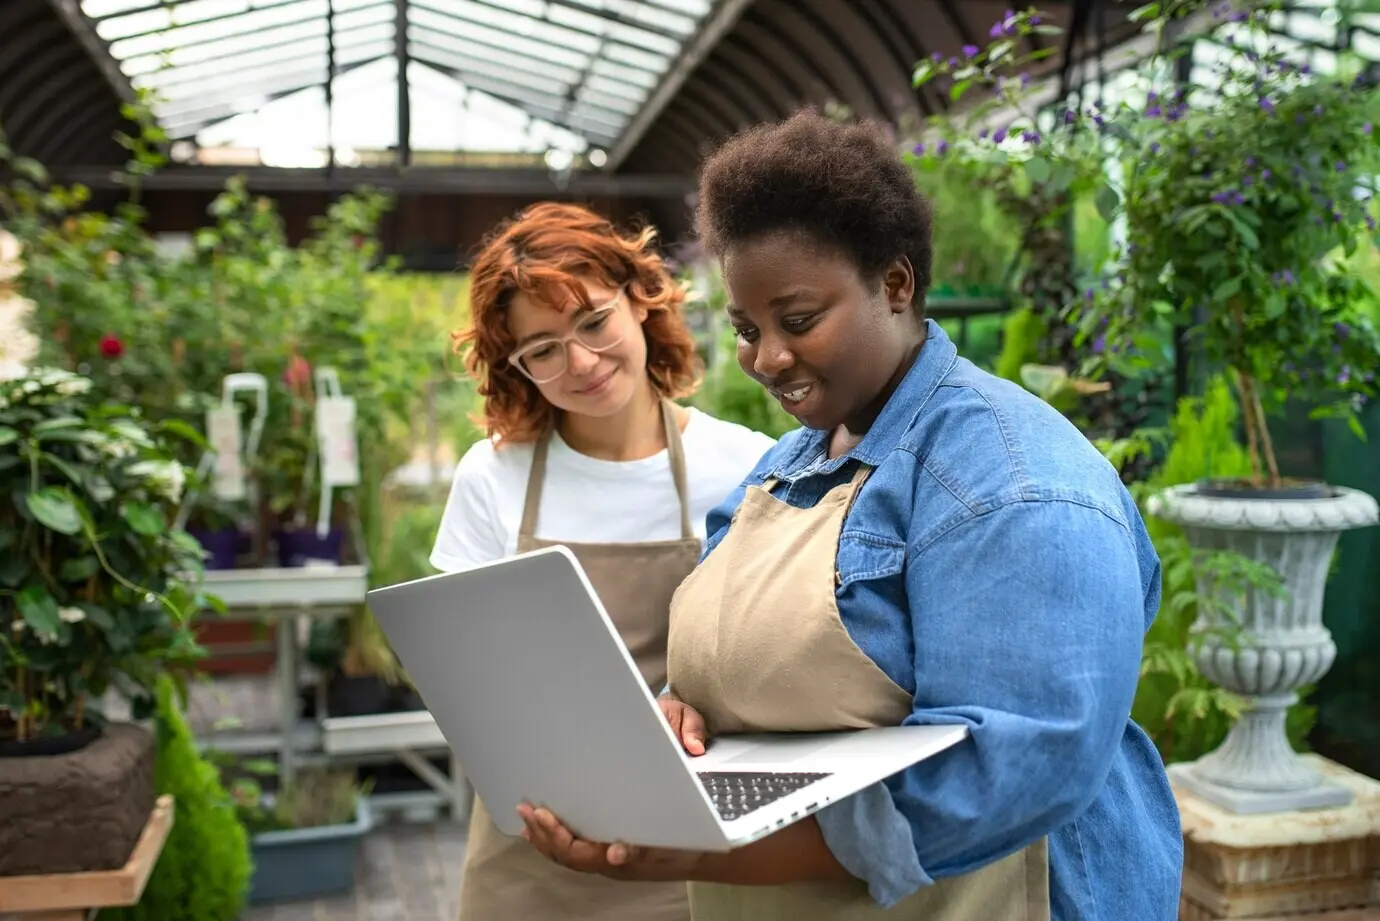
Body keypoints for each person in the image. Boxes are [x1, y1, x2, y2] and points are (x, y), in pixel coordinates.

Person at [516, 111, 1184, 920]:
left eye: (798, 320)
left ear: (895, 284)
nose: (767, 358)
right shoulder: (790, 463)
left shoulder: (1014, 482)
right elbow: (728, 653)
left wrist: (703, 845)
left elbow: (1016, 765)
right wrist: (682, 710)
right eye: (746, 329)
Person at [431, 201, 776, 921]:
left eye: (593, 322)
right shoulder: (491, 477)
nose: (581, 363)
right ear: (516, 366)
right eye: (543, 349)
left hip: (694, 851)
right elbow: (465, 680)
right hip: (531, 850)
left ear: (640, 300)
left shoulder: (744, 466)